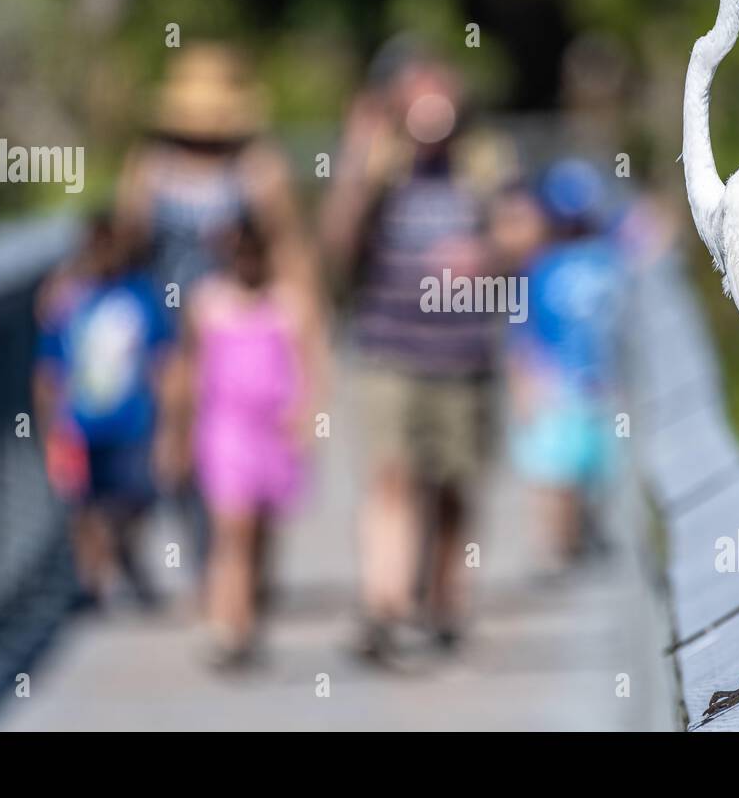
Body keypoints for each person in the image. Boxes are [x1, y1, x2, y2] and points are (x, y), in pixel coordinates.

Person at [320, 44, 511, 660]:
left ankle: (444, 601)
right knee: (392, 476)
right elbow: (336, 246)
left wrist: (487, 255)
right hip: (388, 350)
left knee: (452, 483)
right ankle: (384, 606)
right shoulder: (380, 162)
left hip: (464, 356)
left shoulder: (483, 160)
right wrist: (357, 157)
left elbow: (524, 226)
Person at [114, 42, 318, 578]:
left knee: (237, 442)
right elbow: (125, 242)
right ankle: (192, 549)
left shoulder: (257, 168)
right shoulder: (150, 167)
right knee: (173, 442)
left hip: (240, 330)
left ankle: (235, 565)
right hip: (166, 327)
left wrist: (306, 334)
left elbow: (287, 249)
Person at [162, 218, 326, 668]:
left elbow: (309, 364)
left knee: (262, 529)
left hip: (273, 429)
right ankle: (227, 625)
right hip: (225, 429)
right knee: (231, 529)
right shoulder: (206, 304)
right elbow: (188, 370)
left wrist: (307, 418)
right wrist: (176, 433)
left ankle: (251, 614)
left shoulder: (289, 303)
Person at [33, 214, 173, 608]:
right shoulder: (67, 301)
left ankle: (123, 555)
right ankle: (90, 582)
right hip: (78, 423)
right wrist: (48, 426)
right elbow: (48, 369)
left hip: (132, 423)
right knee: (84, 506)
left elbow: (162, 360)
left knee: (135, 499)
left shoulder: (140, 295)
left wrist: (171, 425)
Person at [499, 160, 625, 572]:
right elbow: (522, 332)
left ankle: (583, 535)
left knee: (594, 466)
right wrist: (523, 385)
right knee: (553, 469)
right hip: (554, 382)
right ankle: (554, 546)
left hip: (598, 382)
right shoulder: (538, 268)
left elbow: (652, 229)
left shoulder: (608, 256)